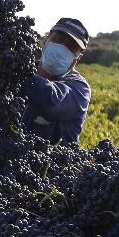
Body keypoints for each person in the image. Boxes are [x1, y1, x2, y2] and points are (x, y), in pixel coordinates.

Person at [19, 17, 91, 147]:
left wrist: (11, 70)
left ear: (78, 57)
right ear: (46, 40)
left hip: (52, 165)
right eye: (58, 40)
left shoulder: (80, 89)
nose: (62, 48)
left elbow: (50, 100)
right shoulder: (23, 70)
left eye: (71, 47)